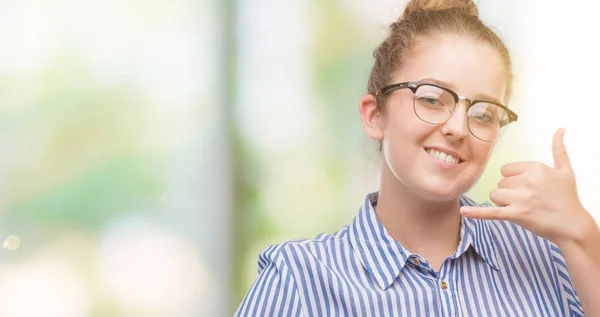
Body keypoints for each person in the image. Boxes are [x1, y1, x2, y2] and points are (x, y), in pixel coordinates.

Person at [234, 0, 599, 316]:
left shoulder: (550, 257)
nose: (458, 128)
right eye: (430, 98)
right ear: (375, 116)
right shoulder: (300, 279)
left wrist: (582, 232)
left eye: (483, 114)